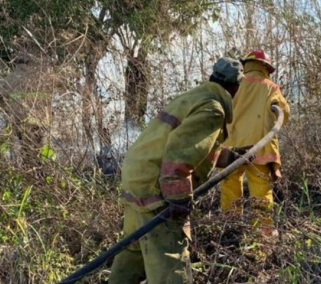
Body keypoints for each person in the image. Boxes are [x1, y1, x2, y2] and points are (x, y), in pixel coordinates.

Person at [108, 57, 244, 284]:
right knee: (170, 261)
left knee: (134, 252)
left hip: (137, 177)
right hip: (156, 187)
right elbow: (178, 158)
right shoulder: (213, 108)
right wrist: (179, 202)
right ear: (236, 87)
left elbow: (198, 149)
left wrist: (234, 157)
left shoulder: (193, 98)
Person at [219, 49, 291, 237]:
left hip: (230, 149)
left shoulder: (233, 84)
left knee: (230, 188)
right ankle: (264, 238)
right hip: (260, 150)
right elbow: (284, 115)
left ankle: (231, 231)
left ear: (246, 65)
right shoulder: (270, 87)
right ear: (266, 67)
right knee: (261, 194)